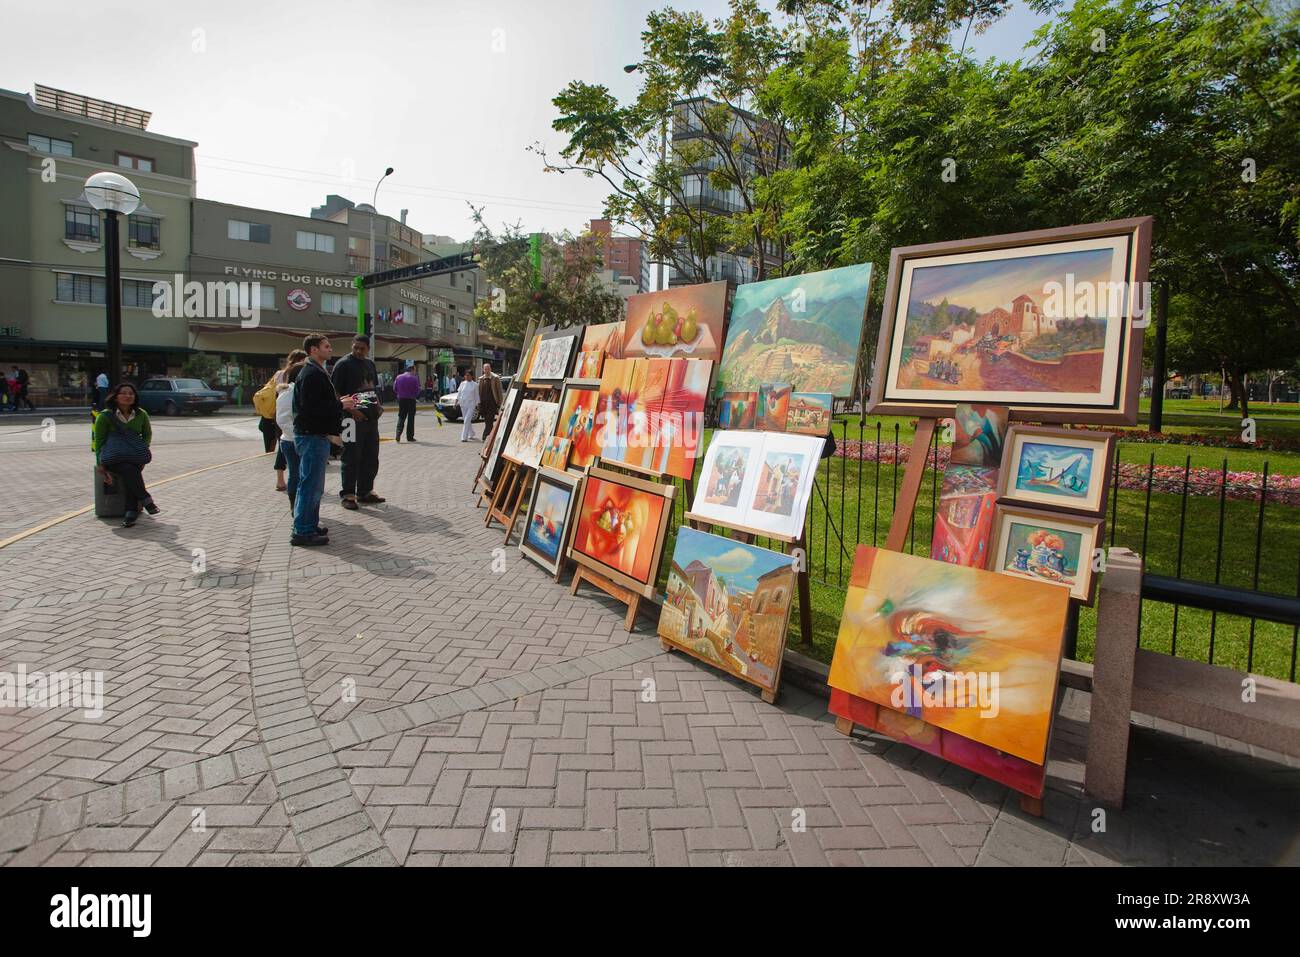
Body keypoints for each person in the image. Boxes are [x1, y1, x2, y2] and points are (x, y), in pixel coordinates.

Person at [292, 334, 357, 546]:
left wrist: (339, 402)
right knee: (310, 485)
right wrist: (340, 405)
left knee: (312, 485)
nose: (330, 350)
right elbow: (312, 408)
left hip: (315, 435)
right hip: (311, 436)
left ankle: (309, 524)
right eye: (326, 347)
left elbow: (318, 403)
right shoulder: (311, 373)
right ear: (313, 350)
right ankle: (302, 530)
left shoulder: (316, 371)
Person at [330, 334, 384, 509]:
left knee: (370, 455)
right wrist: (353, 410)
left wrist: (379, 406)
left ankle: (365, 491)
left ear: (368, 349)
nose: (359, 351)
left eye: (362, 348)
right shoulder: (343, 364)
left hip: (370, 419)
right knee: (350, 456)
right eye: (356, 347)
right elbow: (336, 392)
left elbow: (371, 389)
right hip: (350, 419)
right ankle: (348, 494)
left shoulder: (370, 364)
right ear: (351, 346)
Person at [93, 383, 157, 528]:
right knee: (130, 470)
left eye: (131, 394)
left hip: (134, 456)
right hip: (113, 457)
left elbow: (147, 434)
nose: (128, 396)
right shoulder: (105, 416)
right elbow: (99, 441)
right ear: (116, 397)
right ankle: (143, 502)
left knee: (131, 471)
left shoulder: (141, 414)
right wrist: (100, 464)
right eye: (124, 393)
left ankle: (132, 512)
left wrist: (142, 448)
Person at [265, 349, 307, 490]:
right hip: (292, 434)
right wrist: (298, 435)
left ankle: (282, 482)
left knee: (302, 474)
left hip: (295, 433)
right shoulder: (288, 389)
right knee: (295, 472)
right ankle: (283, 484)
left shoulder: (300, 389)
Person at [393, 362, 421, 442]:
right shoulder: (414, 378)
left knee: (401, 416)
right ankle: (410, 437)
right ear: (412, 370)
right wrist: (414, 395)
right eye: (415, 370)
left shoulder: (398, 377)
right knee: (411, 419)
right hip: (411, 400)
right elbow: (418, 390)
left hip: (402, 399)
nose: (415, 372)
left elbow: (394, 389)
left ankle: (398, 434)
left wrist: (400, 393)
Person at [478, 362, 503, 440]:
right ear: (483, 370)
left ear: (490, 369)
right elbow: (478, 391)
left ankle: (485, 435)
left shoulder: (495, 378)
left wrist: (500, 403)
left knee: (489, 419)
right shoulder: (481, 379)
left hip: (492, 403)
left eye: (488, 369)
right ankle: (491, 437)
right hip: (483, 404)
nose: (487, 370)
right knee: (487, 421)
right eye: (485, 369)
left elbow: (499, 391)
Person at [456, 369, 479, 442]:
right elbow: (459, 394)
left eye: (468, 375)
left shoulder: (475, 385)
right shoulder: (462, 383)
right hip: (463, 404)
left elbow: (477, 395)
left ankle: (464, 437)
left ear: (472, 376)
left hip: (471, 405)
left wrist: (478, 404)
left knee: (466, 421)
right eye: (466, 375)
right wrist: (456, 402)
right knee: (467, 420)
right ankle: (471, 433)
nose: (467, 377)